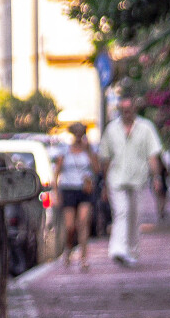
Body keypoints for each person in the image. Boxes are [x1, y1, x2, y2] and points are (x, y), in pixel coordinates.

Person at [98, 95, 163, 267]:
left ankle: (132, 251)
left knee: (135, 216)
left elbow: (153, 155)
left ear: (134, 109)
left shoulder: (146, 128)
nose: (126, 113)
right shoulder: (111, 129)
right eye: (123, 110)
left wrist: (156, 177)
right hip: (116, 179)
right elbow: (105, 158)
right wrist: (104, 184)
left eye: (129, 109)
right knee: (122, 212)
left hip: (138, 179)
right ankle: (117, 249)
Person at [54, 122, 101, 270]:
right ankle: (68, 249)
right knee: (70, 226)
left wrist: (88, 152)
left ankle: (83, 257)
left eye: (82, 135)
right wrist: (55, 192)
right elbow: (56, 172)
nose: (79, 138)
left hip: (85, 190)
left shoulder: (90, 150)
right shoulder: (65, 151)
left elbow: (97, 169)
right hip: (68, 189)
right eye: (77, 135)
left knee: (83, 222)